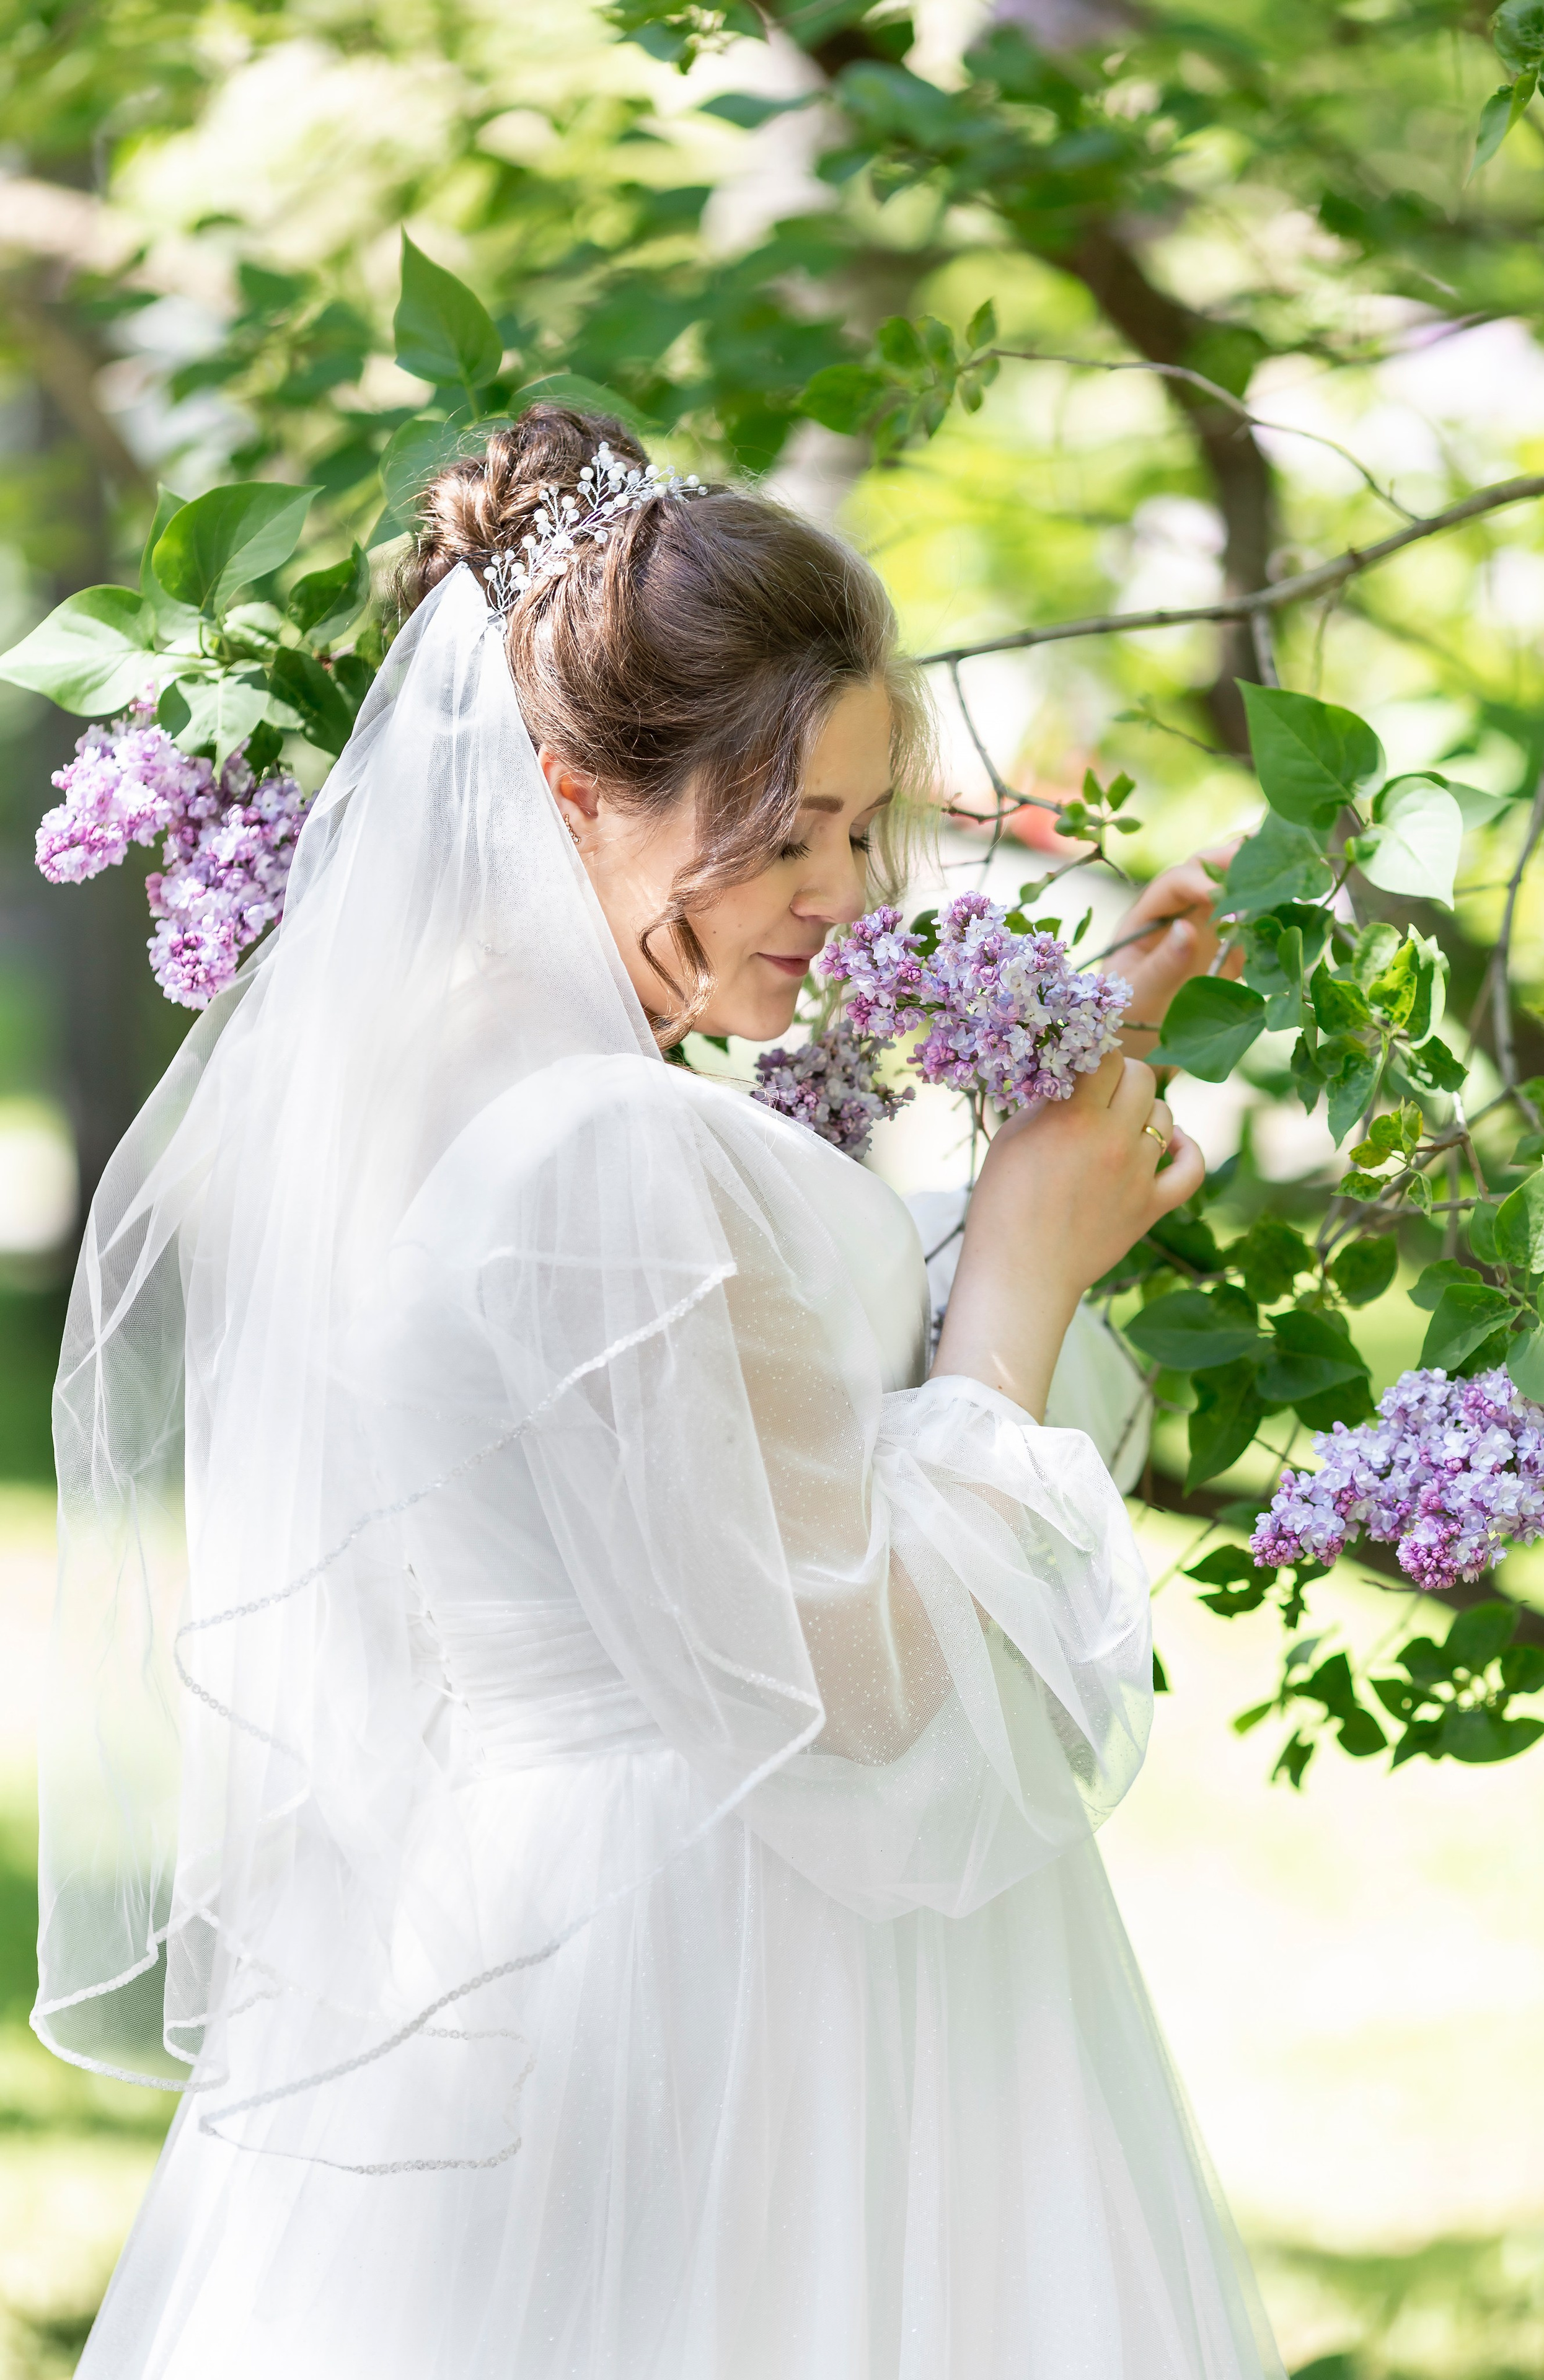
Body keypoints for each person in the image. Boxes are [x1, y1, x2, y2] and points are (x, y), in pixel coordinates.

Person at [39, 405, 1281, 2378]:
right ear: (571, 790)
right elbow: (857, 1673)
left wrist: (1041, 1144)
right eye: (778, 831)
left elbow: (742, 1441)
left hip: (539, 1908)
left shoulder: (449, 1077)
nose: (842, 889)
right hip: (733, 1956)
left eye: (864, 824)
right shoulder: (595, 1148)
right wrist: (1027, 1276)